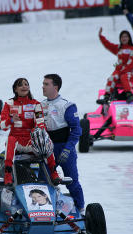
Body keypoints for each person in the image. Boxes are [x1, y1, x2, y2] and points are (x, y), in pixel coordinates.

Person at [0, 78, 61, 186]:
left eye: (26, 84)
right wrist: (11, 120)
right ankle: (8, 175)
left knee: (45, 138)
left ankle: (54, 173)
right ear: (15, 89)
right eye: (21, 85)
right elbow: (1, 125)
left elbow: (40, 122)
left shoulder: (35, 104)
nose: (24, 87)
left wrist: (39, 131)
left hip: (31, 140)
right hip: (16, 140)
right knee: (10, 139)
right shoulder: (9, 103)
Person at [41, 74, 85, 214]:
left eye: (46, 84)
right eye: (43, 84)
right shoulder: (40, 105)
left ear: (55, 86)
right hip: (47, 149)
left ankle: (81, 209)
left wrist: (68, 148)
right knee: (43, 183)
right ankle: (44, 211)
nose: (43, 86)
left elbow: (77, 130)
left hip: (64, 147)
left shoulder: (67, 105)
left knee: (72, 181)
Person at [98, 28, 133, 103]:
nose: (124, 38)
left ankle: (129, 95)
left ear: (129, 38)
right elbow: (108, 45)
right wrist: (101, 37)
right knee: (111, 78)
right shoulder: (119, 48)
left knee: (124, 77)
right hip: (119, 70)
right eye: (122, 37)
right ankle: (107, 96)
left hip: (129, 71)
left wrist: (121, 71)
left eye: (126, 36)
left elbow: (132, 63)